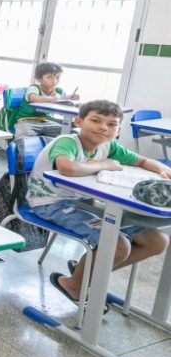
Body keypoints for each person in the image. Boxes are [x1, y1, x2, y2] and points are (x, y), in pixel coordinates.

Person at [26, 100, 170, 310]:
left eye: (112, 124)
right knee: (119, 246)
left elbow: (142, 161)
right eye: (95, 121)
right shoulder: (67, 142)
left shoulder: (108, 145)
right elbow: (67, 168)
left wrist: (165, 171)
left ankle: (85, 273)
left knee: (157, 241)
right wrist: (104, 164)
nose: (103, 128)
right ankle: (73, 285)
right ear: (79, 122)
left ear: (119, 130)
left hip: (83, 201)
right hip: (49, 203)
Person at [14, 61, 79, 138]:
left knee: (70, 134)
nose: (54, 81)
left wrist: (72, 98)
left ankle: (57, 145)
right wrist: (52, 99)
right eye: (49, 77)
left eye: (57, 77)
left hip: (47, 121)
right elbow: (33, 98)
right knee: (24, 136)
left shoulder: (59, 91)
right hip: (27, 121)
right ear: (38, 79)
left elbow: (64, 105)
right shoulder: (34, 88)